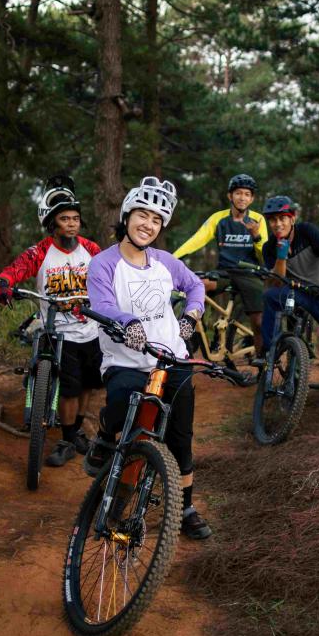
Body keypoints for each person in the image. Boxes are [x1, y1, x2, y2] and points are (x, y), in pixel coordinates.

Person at [84, 176, 213, 540]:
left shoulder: (166, 262)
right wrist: (127, 323)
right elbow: (103, 305)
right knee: (125, 408)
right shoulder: (103, 264)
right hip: (127, 362)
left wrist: (192, 314)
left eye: (157, 220)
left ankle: (184, 506)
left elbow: (195, 286)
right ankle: (107, 438)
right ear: (126, 216)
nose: (148, 224)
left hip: (173, 359)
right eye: (142, 214)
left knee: (180, 438)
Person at [0, 176, 102, 468]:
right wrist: (4, 283)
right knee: (68, 389)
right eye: (64, 219)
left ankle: (76, 430)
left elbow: (112, 273)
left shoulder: (91, 249)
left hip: (91, 330)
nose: (71, 223)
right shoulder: (40, 252)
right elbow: (15, 270)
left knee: (89, 385)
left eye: (75, 218)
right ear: (53, 223)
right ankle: (66, 440)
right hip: (59, 332)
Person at [259, 195, 319, 394]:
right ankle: (270, 351)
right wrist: (281, 258)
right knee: (271, 296)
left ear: (292, 218)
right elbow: (277, 281)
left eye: (282, 218)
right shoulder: (269, 246)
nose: (277, 224)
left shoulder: (307, 231)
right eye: (272, 220)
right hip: (299, 294)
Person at [172, 174, 270, 354]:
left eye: (247, 194)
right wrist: (173, 258)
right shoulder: (218, 218)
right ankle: (193, 333)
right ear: (230, 196)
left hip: (250, 273)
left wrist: (256, 236)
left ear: (252, 198)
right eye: (238, 193)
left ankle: (263, 361)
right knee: (198, 286)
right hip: (224, 273)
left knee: (258, 321)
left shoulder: (258, 219)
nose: (242, 197)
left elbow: (264, 254)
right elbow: (197, 240)